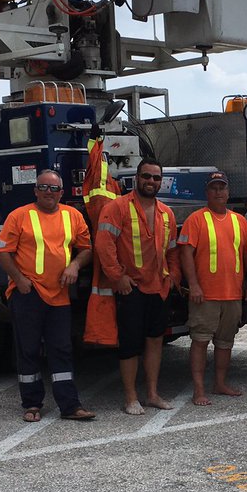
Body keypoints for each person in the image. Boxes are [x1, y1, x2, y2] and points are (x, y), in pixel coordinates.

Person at [0, 169, 96, 423]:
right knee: (28, 350)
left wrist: (74, 266)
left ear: (62, 192)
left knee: (61, 349)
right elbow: (1, 252)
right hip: (28, 293)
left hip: (59, 295)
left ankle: (70, 406)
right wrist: (19, 280)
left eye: (54, 188)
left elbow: (86, 249)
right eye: (44, 187)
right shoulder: (19, 216)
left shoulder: (73, 215)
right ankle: (31, 404)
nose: (49, 193)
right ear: (35, 190)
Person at [94, 158, 182, 416]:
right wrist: (117, 277)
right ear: (137, 178)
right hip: (131, 289)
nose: (151, 182)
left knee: (155, 341)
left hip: (160, 289)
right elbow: (104, 245)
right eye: (146, 176)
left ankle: (152, 394)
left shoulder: (167, 212)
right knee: (130, 345)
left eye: (156, 178)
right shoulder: (117, 207)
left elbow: (173, 250)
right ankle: (131, 397)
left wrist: (173, 275)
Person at [179, 171, 247, 407]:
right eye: (214, 188)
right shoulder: (196, 219)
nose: (218, 192)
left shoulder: (240, 220)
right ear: (207, 192)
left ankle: (220, 383)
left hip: (233, 295)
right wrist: (193, 285)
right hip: (205, 296)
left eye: (222, 187)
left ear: (228, 192)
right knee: (200, 341)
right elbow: (186, 253)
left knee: (226, 342)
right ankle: (199, 389)